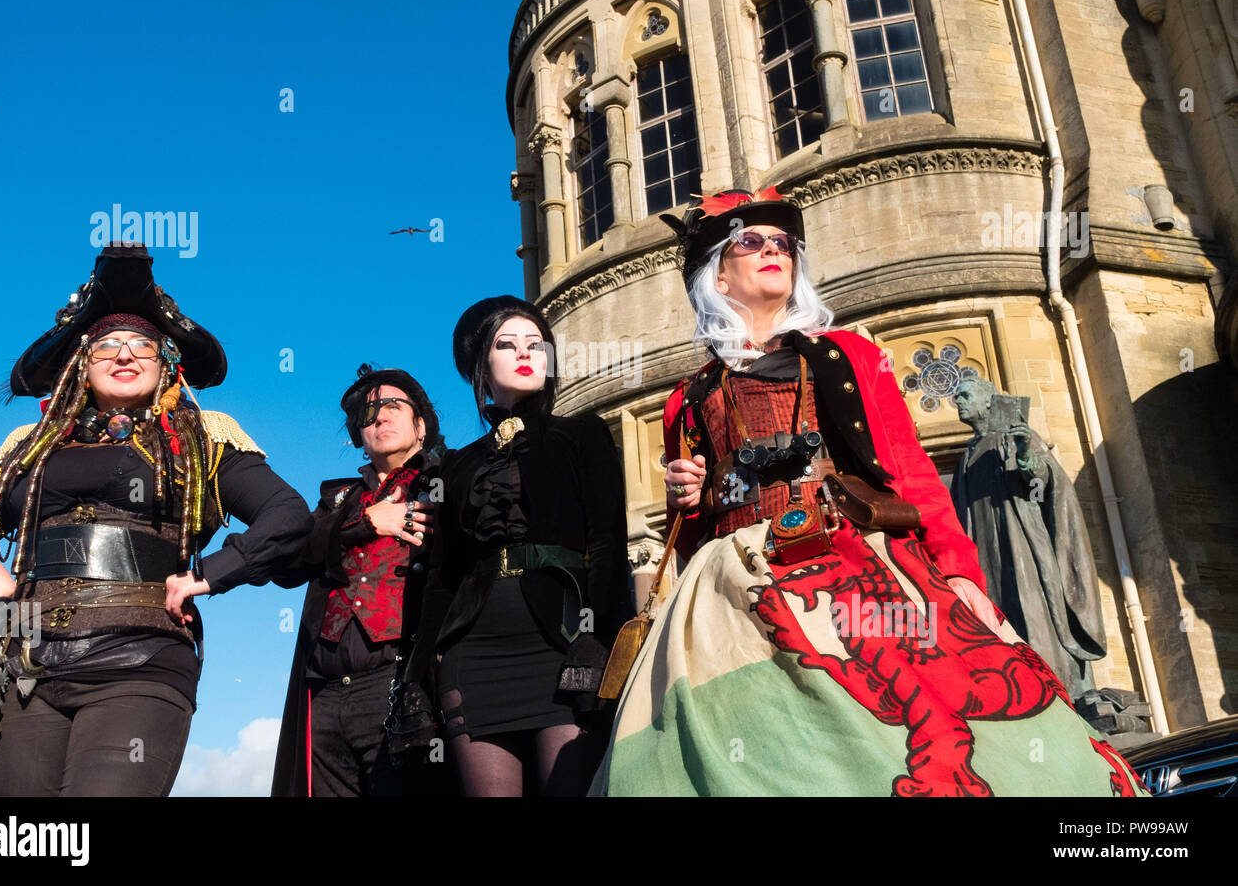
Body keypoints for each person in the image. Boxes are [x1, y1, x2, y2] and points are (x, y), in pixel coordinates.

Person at [589, 188, 1146, 797]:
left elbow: (908, 467)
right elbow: (695, 532)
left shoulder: (849, 354)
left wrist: (960, 572)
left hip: (854, 562)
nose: (773, 250)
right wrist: (687, 494)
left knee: (910, 729)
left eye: (784, 243)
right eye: (751, 241)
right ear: (717, 273)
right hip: (735, 585)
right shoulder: (686, 396)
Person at [0, 241, 313, 796]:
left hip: (140, 658)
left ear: (166, 366)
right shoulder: (31, 448)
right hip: (21, 665)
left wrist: (209, 573)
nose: (124, 354)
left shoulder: (203, 438)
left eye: (142, 345)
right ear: (80, 368)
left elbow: (287, 515)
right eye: (106, 346)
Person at [407, 296, 629, 796]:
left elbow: (607, 542)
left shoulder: (583, 434)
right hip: (473, 652)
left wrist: (599, 642)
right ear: (480, 366)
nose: (526, 352)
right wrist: (418, 675)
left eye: (536, 343)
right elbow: (444, 575)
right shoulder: (456, 464)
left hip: (566, 644)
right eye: (506, 344)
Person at [271, 365, 452, 797]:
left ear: (420, 424)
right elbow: (285, 563)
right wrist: (364, 524)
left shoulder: (447, 481)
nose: (380, 417)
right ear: (358, 435)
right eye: (367, 414)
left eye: (393, 405)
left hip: (403, 683)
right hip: (325, 694)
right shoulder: (336, 501)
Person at [950, 375, 1107, 699]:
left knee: (1034, 613)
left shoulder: (1012, 436)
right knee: (999, 616)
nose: (958, 402)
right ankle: (1018, 689)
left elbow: (1043, 480)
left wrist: (1026, 452)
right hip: (984, 551)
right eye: (958, 397)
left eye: (965, 395)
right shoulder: (966, 455)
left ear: (988, 402)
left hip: (1020, 543)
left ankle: (1058, 689)